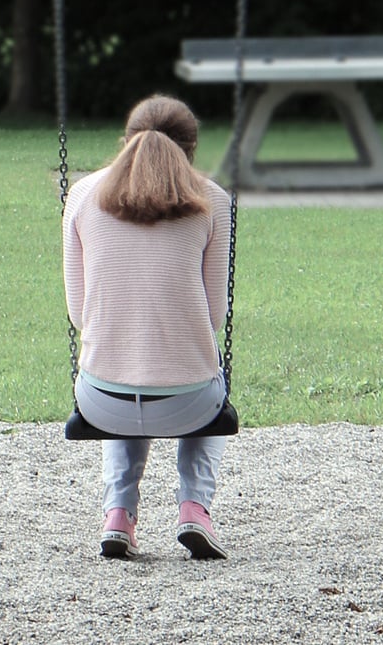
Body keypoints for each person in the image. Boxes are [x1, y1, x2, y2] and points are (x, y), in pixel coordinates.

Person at [61, 94, 232, 560]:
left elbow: (80, 315)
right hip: (191, 404)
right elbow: (214, 317)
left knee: (121, 368)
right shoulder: (213, 200)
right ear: (191, 148)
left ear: (126, 141)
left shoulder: (81, 195)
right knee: (204, 374)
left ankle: (118, 514)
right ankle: (195, 508)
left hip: (101, 403)